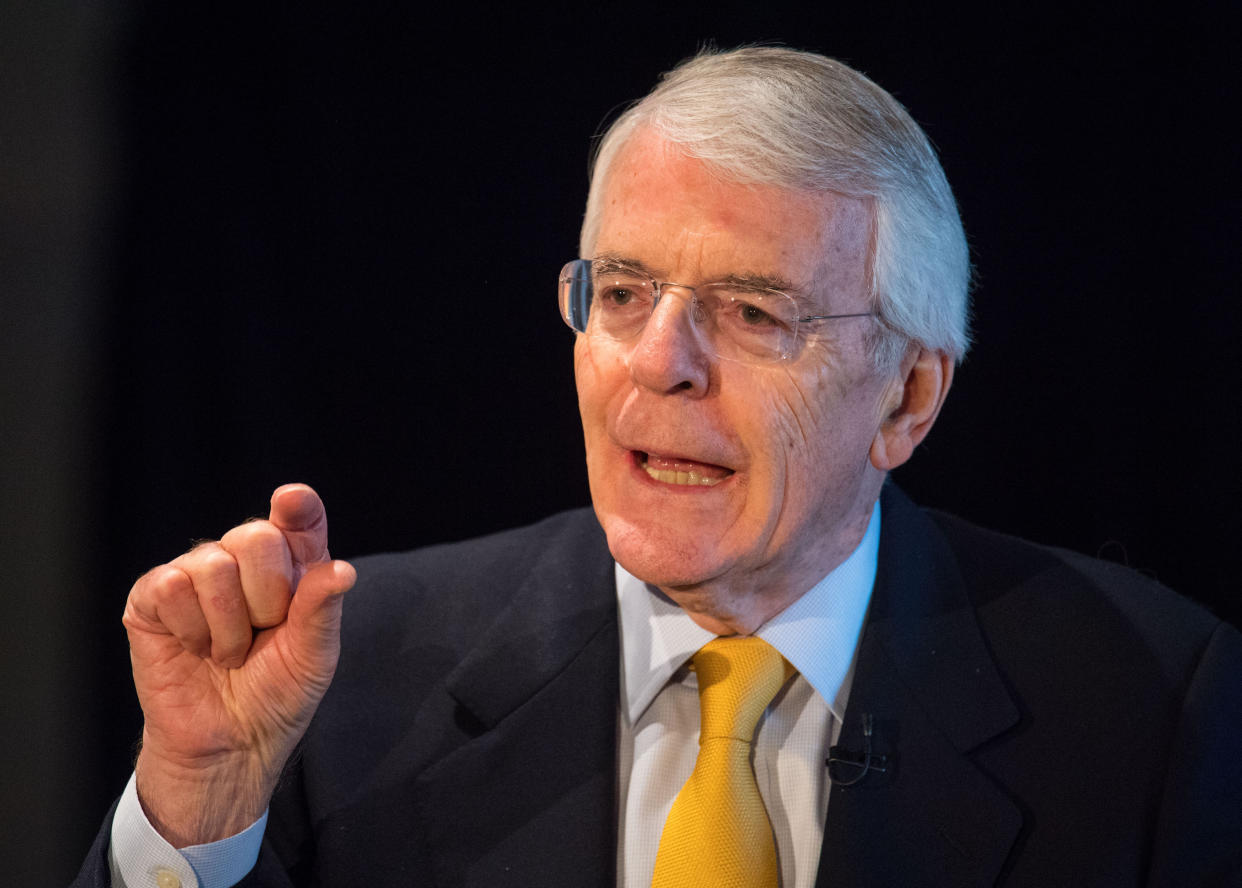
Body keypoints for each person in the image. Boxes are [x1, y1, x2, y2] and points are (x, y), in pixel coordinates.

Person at [75, 47, 1240, 888]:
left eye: (751, 311)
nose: (661, 365)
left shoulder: (1155, 713)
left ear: (908, 396)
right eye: (623, 294)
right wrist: (202, 805)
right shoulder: (346, 683)